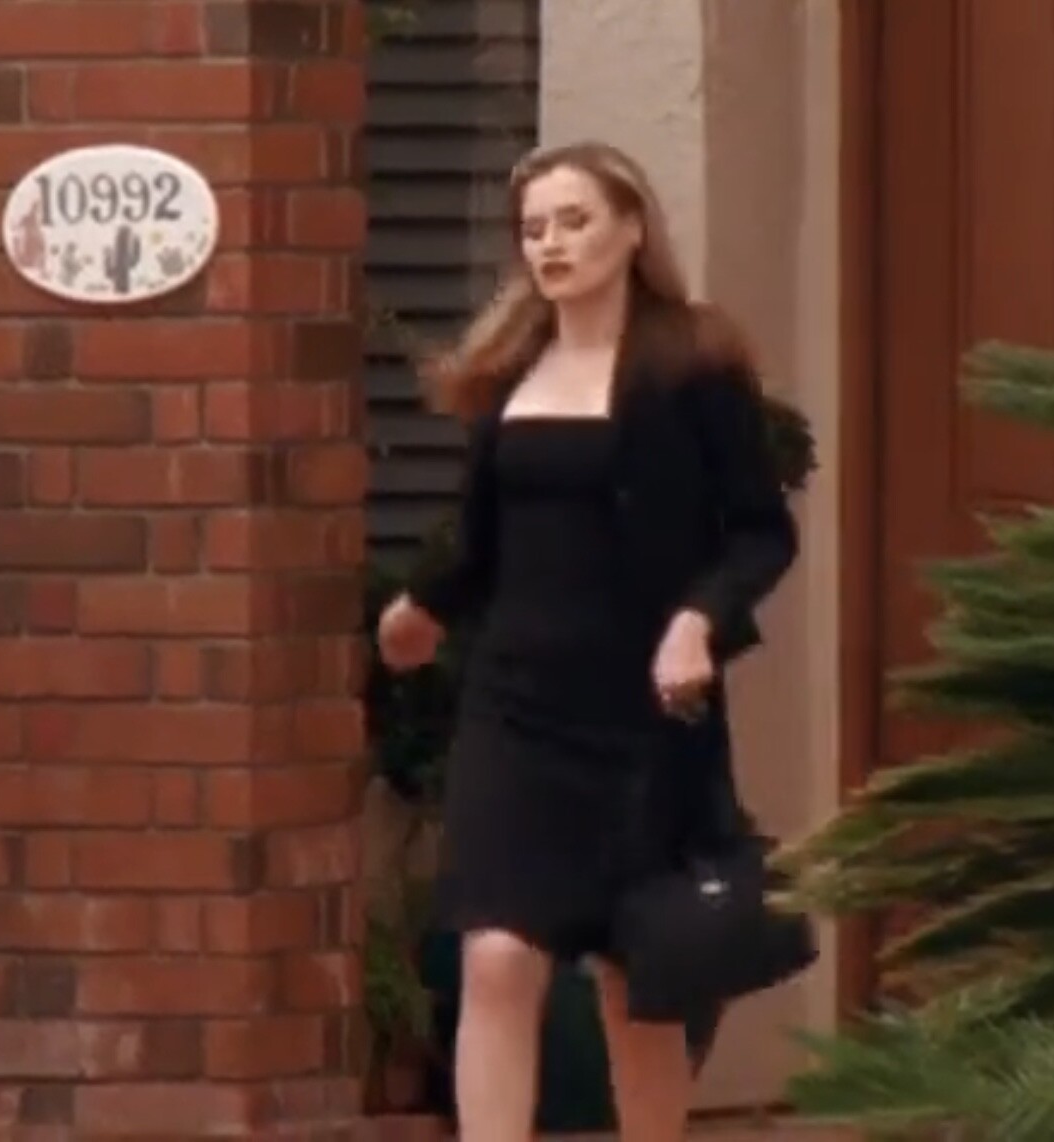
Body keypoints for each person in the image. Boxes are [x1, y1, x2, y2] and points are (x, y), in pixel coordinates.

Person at [375, 140, 799, 1142]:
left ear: (631, 229)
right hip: (515, 705)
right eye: (534, 229)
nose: (551, 245)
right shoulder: (510, 374)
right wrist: (421, 608)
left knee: (632, 973)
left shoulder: (691, 364)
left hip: (644, 709)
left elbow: (760, 531)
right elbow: (482, 539)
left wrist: (697, 623)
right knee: (494, 956)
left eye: (574, 221)